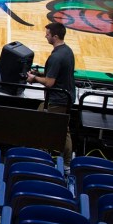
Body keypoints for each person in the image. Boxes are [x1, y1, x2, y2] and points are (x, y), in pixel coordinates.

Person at [27, 21, 76, 158]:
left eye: (47, 34)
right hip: (65, 97)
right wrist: (38, 74)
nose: (45, 36)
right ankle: (46, 151)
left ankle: (65, 161)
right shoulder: (67, 50)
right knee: (49, 122)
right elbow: (56, 75)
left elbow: (49, 82)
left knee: (60, 130)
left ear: (55, 37)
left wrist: (34, 79)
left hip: (58, 100)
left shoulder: (56, 57)